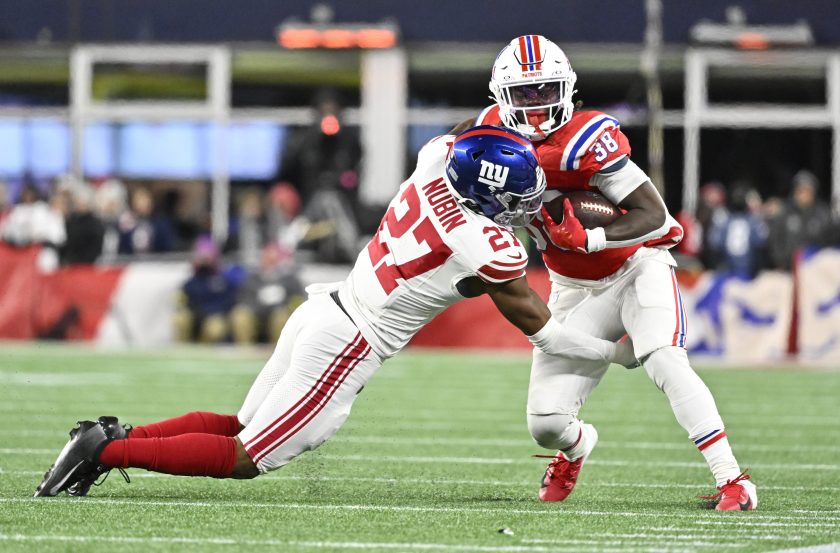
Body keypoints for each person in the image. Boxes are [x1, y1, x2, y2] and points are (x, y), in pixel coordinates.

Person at [35, 126, 637, 498]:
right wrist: (614, 352)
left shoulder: (435, 164)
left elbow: (465, 136)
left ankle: (119, 437)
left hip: (327, 308)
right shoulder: (485, 245)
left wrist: (504, 142)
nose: (524, 205)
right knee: (246, 459)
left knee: (242, 426)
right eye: (514, 196)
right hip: (349, 341)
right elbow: (546, 330)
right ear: (487, 196)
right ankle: (104, 450)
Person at [457, 35, 756, 510]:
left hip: (636, 266)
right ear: (500, 97)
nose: (536, 104)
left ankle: (733, 480)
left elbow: (654, 215)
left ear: (568, 88)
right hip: (573, 286)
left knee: (663, 358)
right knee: (546, 422)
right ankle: (576, 448)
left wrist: (592, 237)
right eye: (525, 94)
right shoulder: (486, 137)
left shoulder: (586, 139)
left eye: (546, 90)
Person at [766, 170, 834, 271]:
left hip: (816, 271)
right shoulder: (784, 212)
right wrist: (780, 262)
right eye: (799, 190)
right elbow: (775, 240)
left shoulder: (823, 214)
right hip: (788, 270)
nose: (802, 194)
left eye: (806, 190)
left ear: (813, 192)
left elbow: (830, 242)